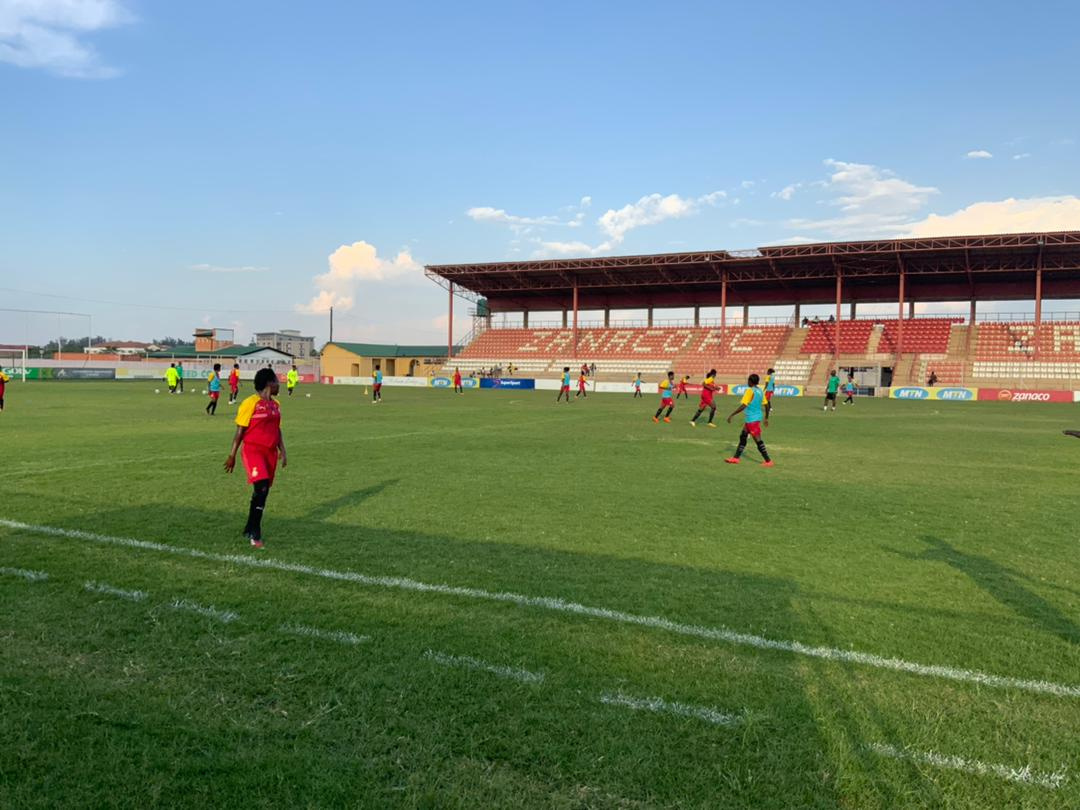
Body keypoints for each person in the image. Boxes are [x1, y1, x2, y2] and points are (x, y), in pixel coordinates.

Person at [224, 368, 286, 548]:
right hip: (253, 450)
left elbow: (277, 428)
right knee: (262, 487)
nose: (278, 384)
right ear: (269, 383)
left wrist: (283, 450)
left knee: (261, 491)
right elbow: (240, 431)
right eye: (276, 380)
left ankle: (249, 526)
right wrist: (232, 455)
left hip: (270, 453)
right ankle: (255, 532)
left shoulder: (276, 404)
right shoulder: (250, 403)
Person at [725, 373, 773, 467]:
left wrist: (732, 414)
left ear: (751, 382)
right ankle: (736, 458)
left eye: (748, 380)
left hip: (752, 419)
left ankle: (768, 461)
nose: (747, 382)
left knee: (757, 440)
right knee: (743, 436)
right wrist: (766, 418)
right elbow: (767, 405)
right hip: (753, 418)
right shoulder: (759, 391)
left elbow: (744, 405)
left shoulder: (750, 391)